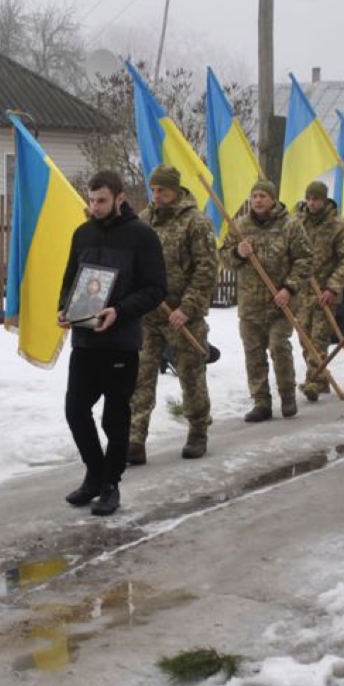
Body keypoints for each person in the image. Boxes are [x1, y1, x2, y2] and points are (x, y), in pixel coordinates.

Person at [59, 170, 167, 516]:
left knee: (115, 418)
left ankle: (110, 485)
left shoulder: (141, 236)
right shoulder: (82, 234)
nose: (95, 207)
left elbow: (155, 289)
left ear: (120, 197)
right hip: (85, 341)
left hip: (121, 342)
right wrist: (65, 309)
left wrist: (119, 311)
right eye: (91, 200)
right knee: (75, 409)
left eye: (101, 200)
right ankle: (94, 472)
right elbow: (69, 281)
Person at [127, 165, 216, 463]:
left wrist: (187, 308)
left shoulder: (196, 222)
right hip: (148, 315)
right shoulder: (142, 221)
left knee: (190, 375)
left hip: (182, 315)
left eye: (162, 189)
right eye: (153, 189)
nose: (157, 195)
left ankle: (198, 429)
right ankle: (135, 437)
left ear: (176, 189)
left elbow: (205, 270)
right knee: (141, 376)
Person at [228, 179, 312, 422]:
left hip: (280, 303)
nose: (258, 200)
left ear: (273, 199)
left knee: (278, 346)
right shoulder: (240, 227)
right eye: (254, 196)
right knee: (253, 353)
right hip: (250, 304)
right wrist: (238, 253)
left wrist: (289, 288)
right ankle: (261, 400)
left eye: (263, 196)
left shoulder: (290, 226)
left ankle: (287, 394)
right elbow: (224, 258)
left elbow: (305, 259)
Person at [296, 180, 344, 403]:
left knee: (318, 337)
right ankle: (320, 375)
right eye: (309, 199)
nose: (312, 203)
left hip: (325, 291)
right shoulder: (298, 223)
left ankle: (315, 380)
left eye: (316, 199)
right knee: (304, 337)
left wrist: (333, 286)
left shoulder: (338, 226)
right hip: (301, 291)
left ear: (324, 199)